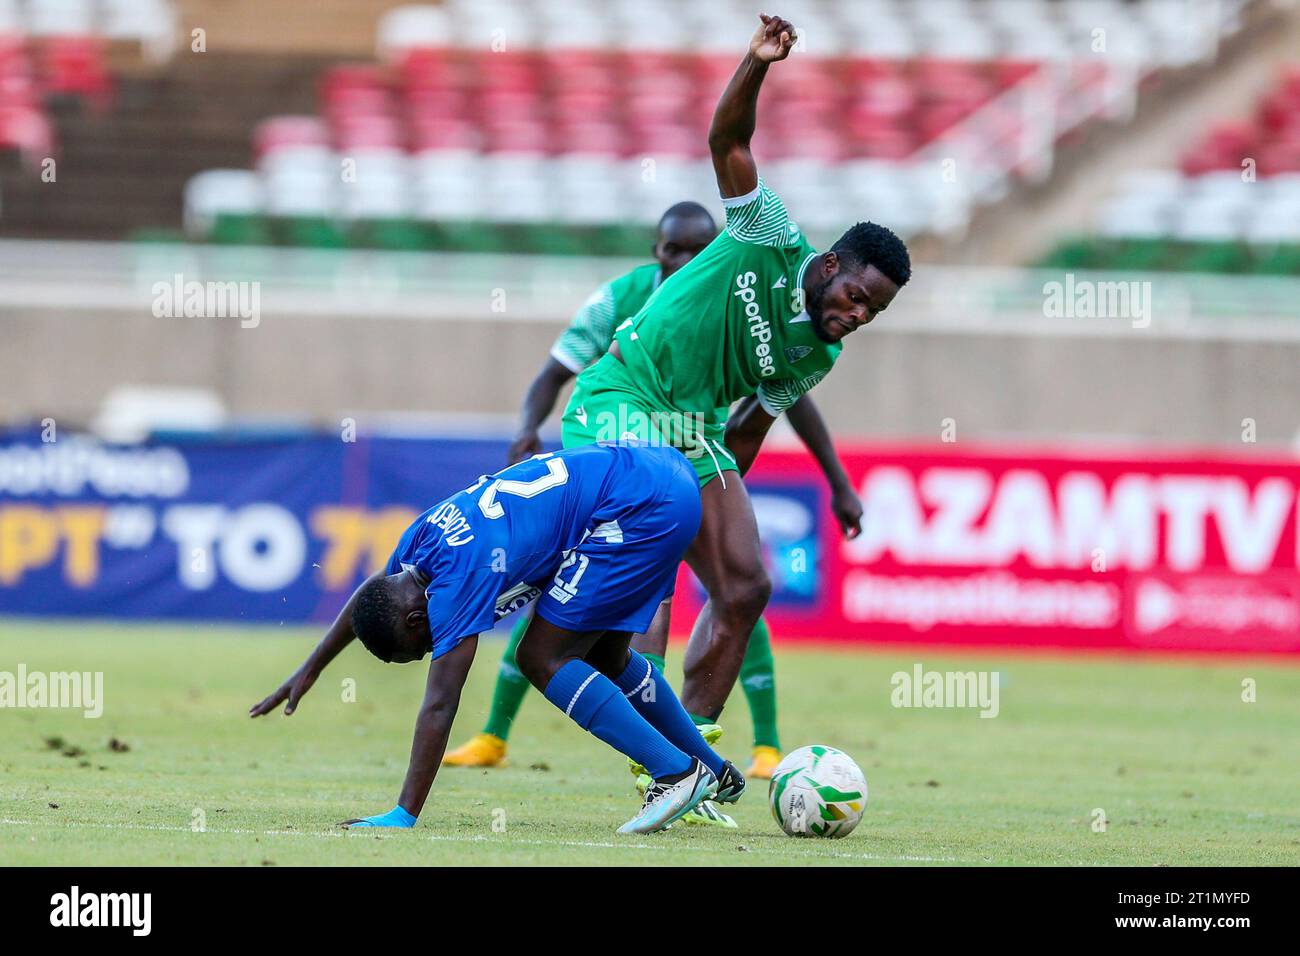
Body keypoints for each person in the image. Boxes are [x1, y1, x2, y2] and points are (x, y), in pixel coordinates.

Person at [558, 14, 912, 745]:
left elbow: (749, 429)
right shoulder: (770, 235)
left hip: (695, 432)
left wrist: (720, 509)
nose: (858, 314)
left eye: (873, 311)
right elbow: (729, 142)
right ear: (827, 267)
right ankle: (641, 730)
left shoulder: (818, 355)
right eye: (856, 295)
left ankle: (691, 751)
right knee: (654, 545)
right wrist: (757, 63)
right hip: (621, 396)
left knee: (746, 584)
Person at [446, 201, 865, 787]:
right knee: (626, 582)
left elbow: (786, 401)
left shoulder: (740, 288)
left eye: (699, 249)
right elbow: (554, 372)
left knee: (741, 585)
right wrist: (526, 430)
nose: (687, 260)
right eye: (675, 250)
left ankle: (724, 745)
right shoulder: (622, 296)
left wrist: (737, 496)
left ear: (717, 249)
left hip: (695, 441)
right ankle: (544, 739)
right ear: (656, 251)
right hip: (616, 430)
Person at [249, 442, 744, 835]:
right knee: (606, 654)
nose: (434, 650)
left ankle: (673, 773)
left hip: (637, 508)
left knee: (540, 657)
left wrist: (405, 812)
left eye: (421, 649)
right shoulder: (416, 544)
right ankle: (711, 767)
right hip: (664, 477)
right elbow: (369, 594)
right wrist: (312, 667)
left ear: (418, 622)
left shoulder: (450, 587)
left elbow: (441, 704)